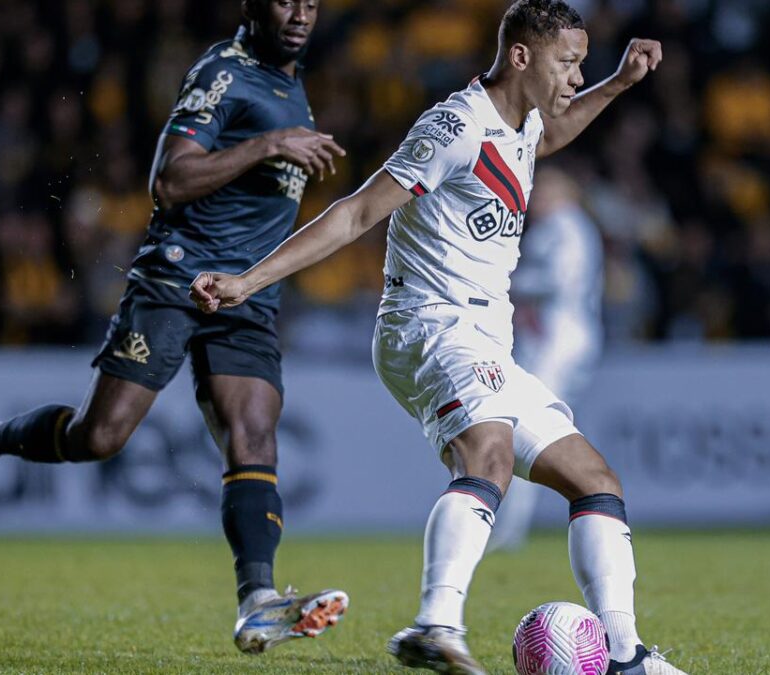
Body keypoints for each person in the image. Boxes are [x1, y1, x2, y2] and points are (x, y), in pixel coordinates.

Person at [191, 2, 686, 673]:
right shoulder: (455, 125)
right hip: (429, 322)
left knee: (594, 479)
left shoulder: (521, 123)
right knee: (490, 452)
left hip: (486, 335)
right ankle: (435, 623)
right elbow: (357, 211)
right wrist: (251, 282)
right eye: (567, 62)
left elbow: (550, 134)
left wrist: (619, 83)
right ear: (520, 56)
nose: (576, 75)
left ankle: (624, 654)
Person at [0, 0, 349, 655]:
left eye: (311, 2)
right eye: (286, 0)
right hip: (177, 279)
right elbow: (168, 180)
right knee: (101, 435)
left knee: (253, 432)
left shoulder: (290, 85)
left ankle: (257, 600)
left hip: (246, 296)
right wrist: (269, 144)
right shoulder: (223, 72)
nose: (300, 14)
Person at [488, 166, 604, 552]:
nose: (532, 199)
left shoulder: (568, 228)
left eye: (540, 192)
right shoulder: (557, 228)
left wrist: (504, 282)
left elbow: (560, 281)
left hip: (560, 336)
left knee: (526, 427)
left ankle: (509, 529)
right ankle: (512, 525)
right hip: (546, 337)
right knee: (526, 427)